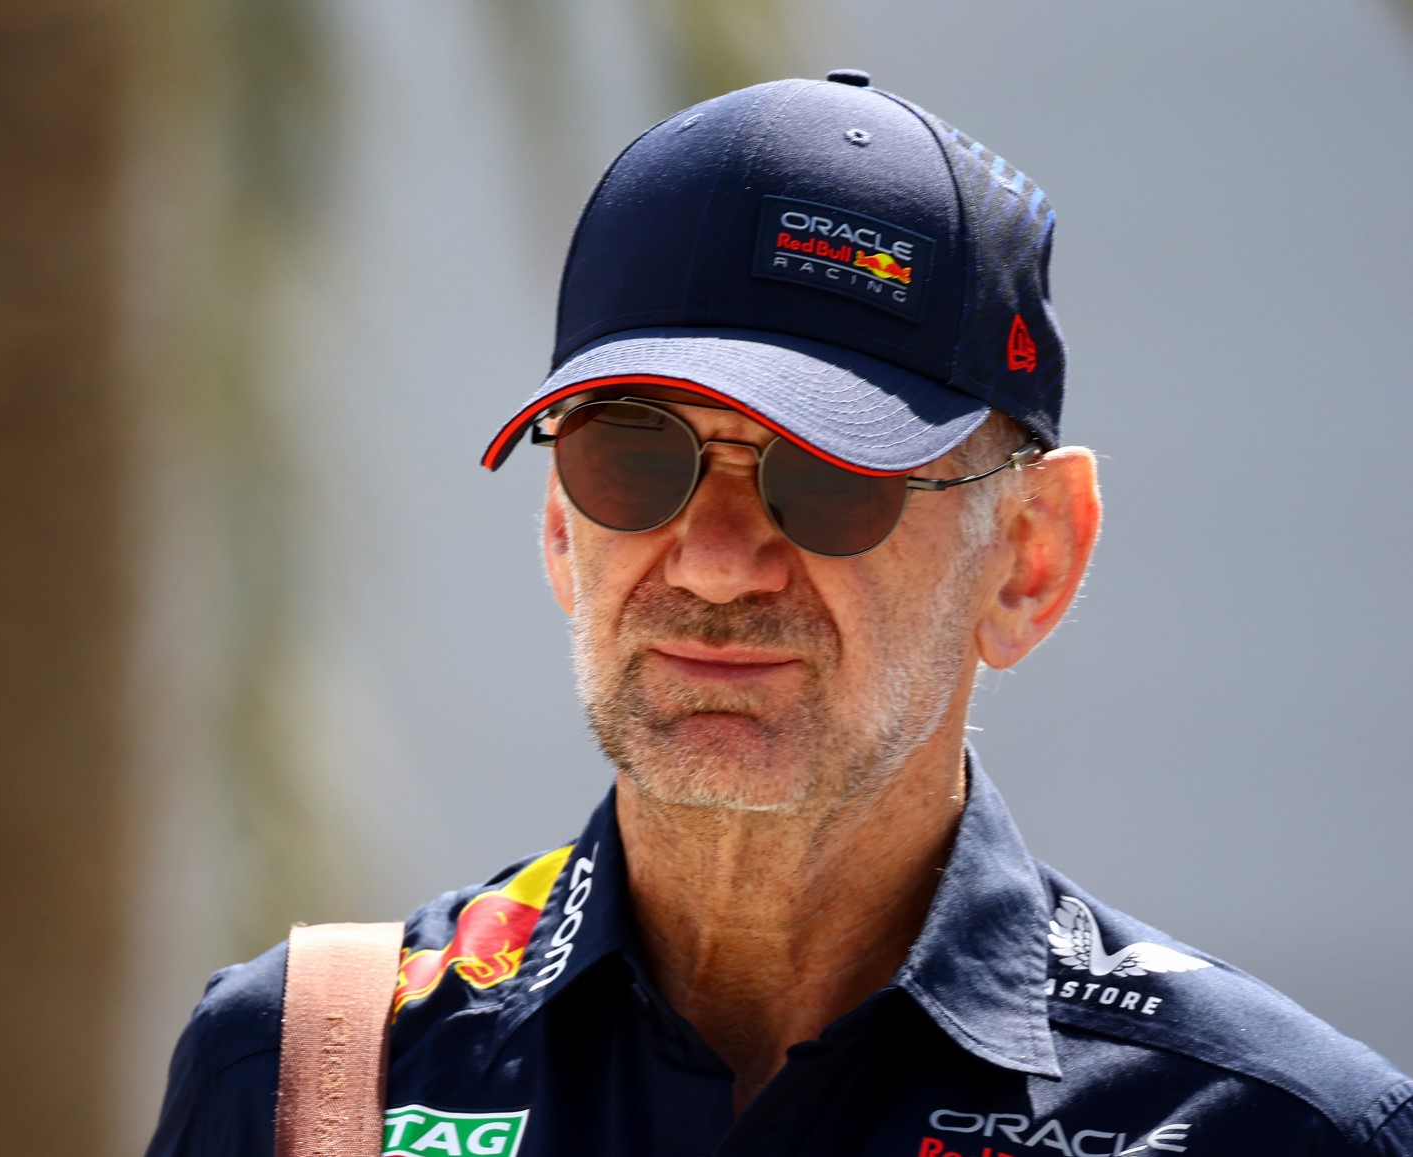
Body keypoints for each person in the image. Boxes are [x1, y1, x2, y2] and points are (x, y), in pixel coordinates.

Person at [147, 72, 1412, 1157]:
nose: (711, 561)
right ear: (557, 527)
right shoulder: (307, 1074)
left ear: (1030, 557)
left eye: (831, 475)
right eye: (633, 458)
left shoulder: (1272, 1126)